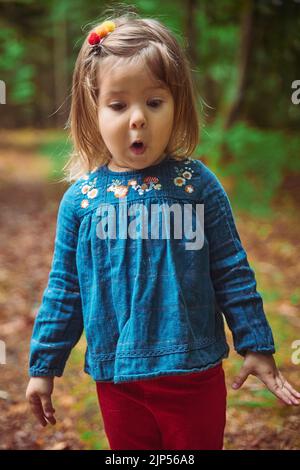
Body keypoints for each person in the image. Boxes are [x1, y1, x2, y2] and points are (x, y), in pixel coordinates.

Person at [26, 12, 300, 450]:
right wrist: (43, 366)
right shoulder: (82, 201)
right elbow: (65, 289)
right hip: (117, 379)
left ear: (177, 106)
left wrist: (255, 343)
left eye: (154, 102)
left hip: (192, 373)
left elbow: (231, 269)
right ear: (93, 110)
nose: (138, 118)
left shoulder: (198, 186)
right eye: (118, 105)